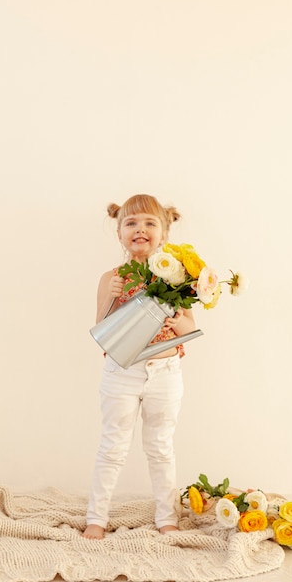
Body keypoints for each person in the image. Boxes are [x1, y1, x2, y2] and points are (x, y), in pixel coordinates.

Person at [83, 194, 196, 539]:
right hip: (122, 372)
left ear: (163, 234)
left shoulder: (177, 278)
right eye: (131, 223)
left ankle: (167, 517)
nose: (140, 229)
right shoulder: (112, 277)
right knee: (113, 446)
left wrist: (177, 317)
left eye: (149, 223)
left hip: (165, 373)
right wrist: (111, 296)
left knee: (161, 447)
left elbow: (189, 328)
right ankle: (96, 518)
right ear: (120, 233)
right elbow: (101, 330)